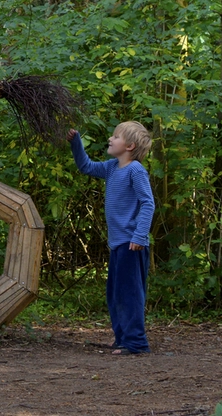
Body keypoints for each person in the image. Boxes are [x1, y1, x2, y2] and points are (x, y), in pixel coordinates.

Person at [67, 122, 156, 355]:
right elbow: (86, 166)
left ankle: (136, 343)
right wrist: (75, 142)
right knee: (115, 292)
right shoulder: (111, 167)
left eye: (116, 136)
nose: (111, 138)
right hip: (118, 243)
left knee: (130, 293)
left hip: (132, 243)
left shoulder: (135, 170)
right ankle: (122, 338)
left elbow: (147, 203)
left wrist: (139, 235)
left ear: (129, 146)